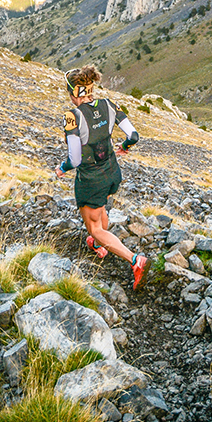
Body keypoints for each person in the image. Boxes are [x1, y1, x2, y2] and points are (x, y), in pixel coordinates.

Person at [54, 65, 147, 289]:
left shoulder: (72, 117)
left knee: (94, 227)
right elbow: (133, 135)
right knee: (100, 208)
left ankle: (135, 260)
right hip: (112, 172)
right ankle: (98, 245)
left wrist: (62, 168)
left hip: (91, 178)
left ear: (73, 93)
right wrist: (124, 145)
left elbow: (75, 159)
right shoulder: (108, 104)